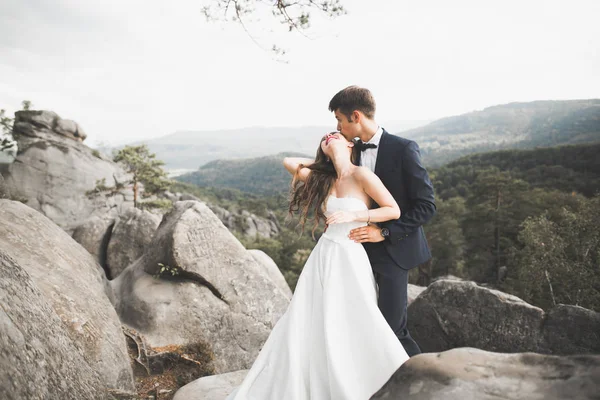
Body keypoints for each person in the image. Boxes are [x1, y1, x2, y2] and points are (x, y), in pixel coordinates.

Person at [226, 132, 409, 400]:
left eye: (335, 134)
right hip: (324, 254)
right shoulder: (323, 178)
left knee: (355, 315)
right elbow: (289, 162)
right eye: (324, 137)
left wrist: (358, 215)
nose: (328, 136)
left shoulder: (363, 175)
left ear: (349, 143)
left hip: (350, 254)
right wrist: (325, 159)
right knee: (311, 316)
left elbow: (393, 210)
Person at [328, 86, 436, 357]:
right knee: (357, 324)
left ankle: (416, 380)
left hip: (394, 251)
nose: (338, 128)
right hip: (354, 251)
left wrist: (384, 232)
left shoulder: (403, 149)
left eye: (339, 120)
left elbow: (426, 206)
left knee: (391, 329)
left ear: (355, 116)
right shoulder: (347, 151)